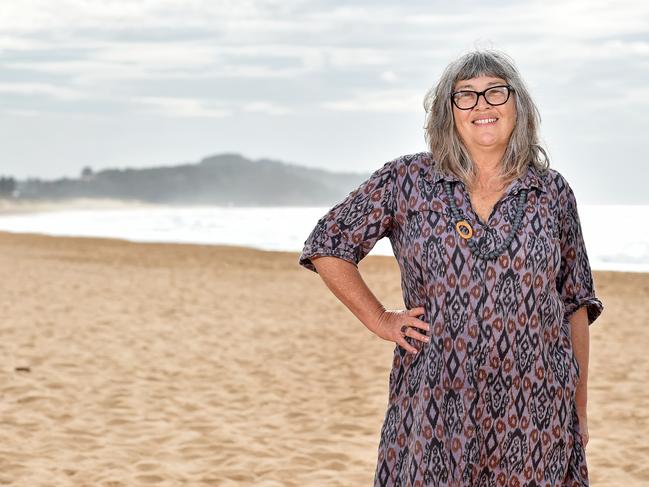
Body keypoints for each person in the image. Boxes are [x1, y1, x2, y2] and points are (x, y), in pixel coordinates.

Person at [298, 49, 603, 487]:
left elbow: (575, 302)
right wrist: (381, 319)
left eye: (496, 92)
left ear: (518, 105)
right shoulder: (407, 180)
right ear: (448, 111)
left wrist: (579, 407)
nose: (483, 105)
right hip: (437, 399)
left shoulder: (551, 192)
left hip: (536, 404)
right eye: (466, 96)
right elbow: (329, 244)